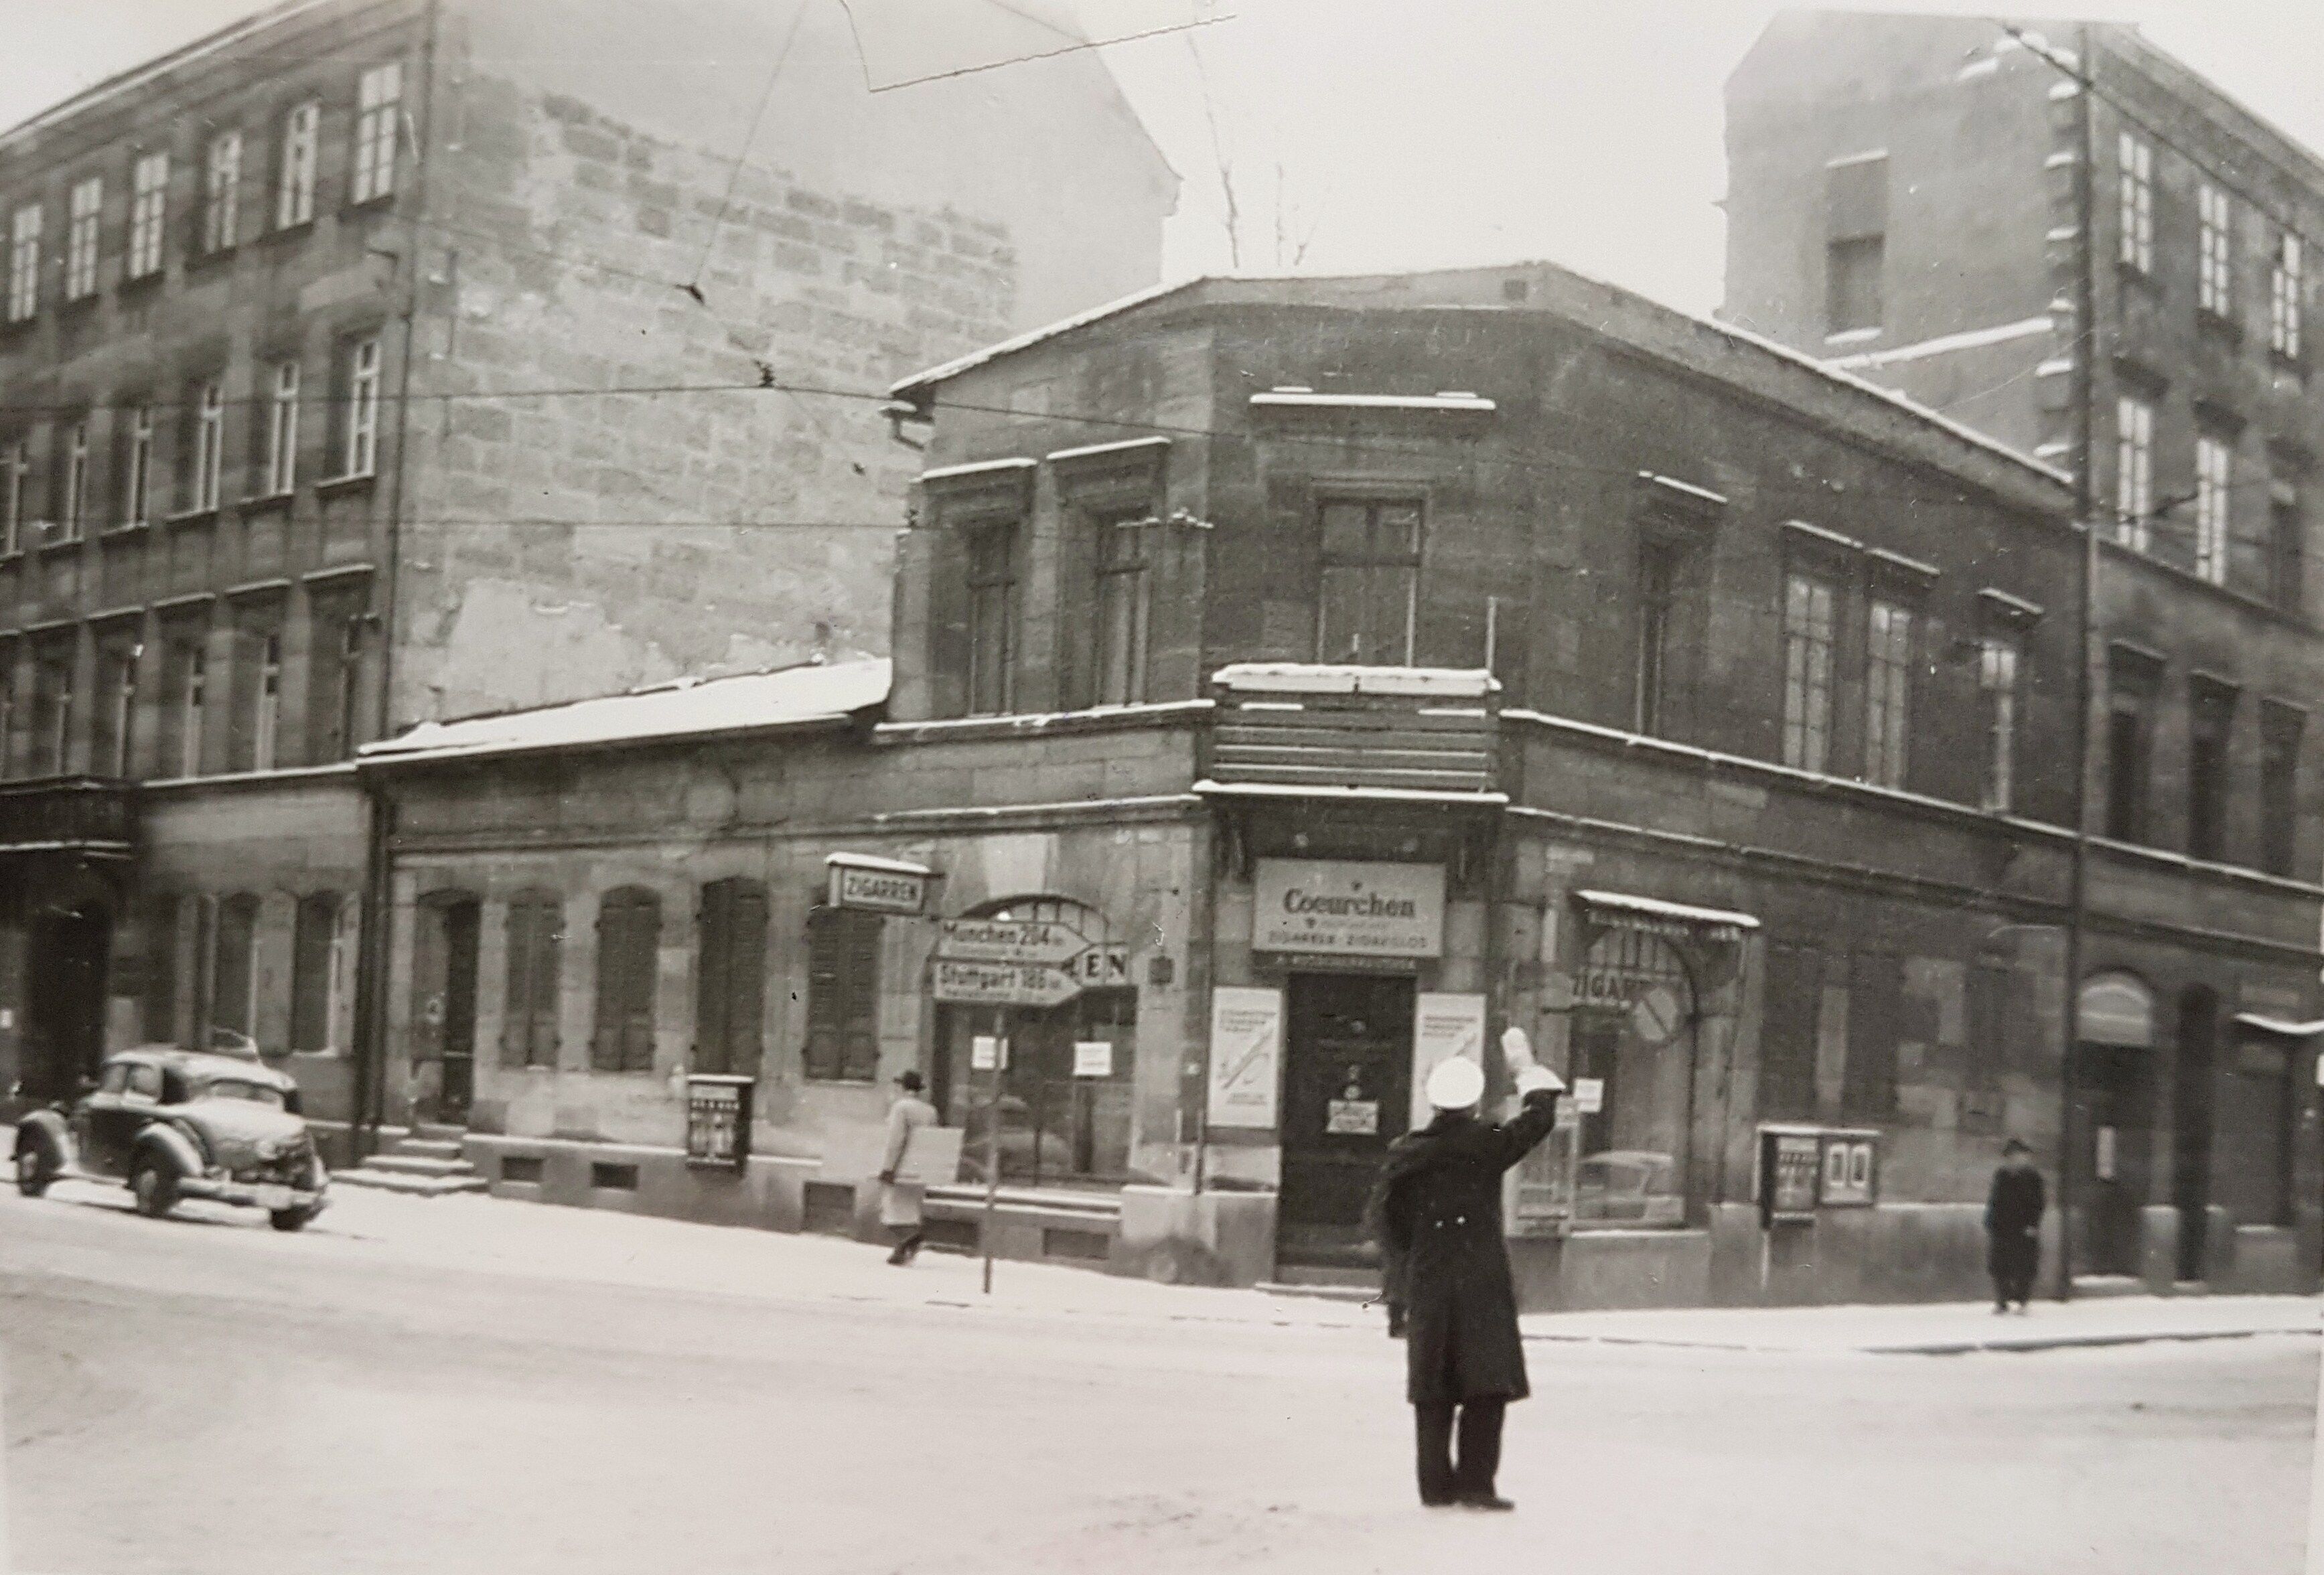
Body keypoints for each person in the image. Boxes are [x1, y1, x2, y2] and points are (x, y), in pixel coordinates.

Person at [1366, 1047, 1564, 1511]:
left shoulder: (1406, 1153)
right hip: (1480, 1279)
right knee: (1485, 1384)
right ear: (1474, 1102)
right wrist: (1529, 1075)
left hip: (1429, 1279)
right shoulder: (1485, 1144)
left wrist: (1401, 1279)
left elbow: (1388, 1224)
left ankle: (1435, 1487)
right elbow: (1537, 1122)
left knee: (1432, 1389)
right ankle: (1476, 1485)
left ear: (1433, 1101)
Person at [878, 1069, 938, 1266]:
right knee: (911, 1211)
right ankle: (902, 1251)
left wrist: (888, 1168)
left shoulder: (901, 1108)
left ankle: (912, 1239)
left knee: (892, 1212)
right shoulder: (930, 1110)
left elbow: (895, 1140)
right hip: (920, 1166)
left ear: (902, 1087)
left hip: (900, 1167)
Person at [1984, 1138, 2046, 1313]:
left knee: (2024, 1266)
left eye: (2018, 1156)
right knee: (1999, 1266)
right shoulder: (2001, 1176)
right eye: (2011, 1157)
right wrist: (1990, 1221)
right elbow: (1995, 1200)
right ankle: (2002, 1301)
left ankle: (2022, 1301)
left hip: (2023, 1229)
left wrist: (2033, 1224)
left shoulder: (2033, 1178)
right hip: (2002, 1228)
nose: (2014, 1160)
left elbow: (2038, 1203)